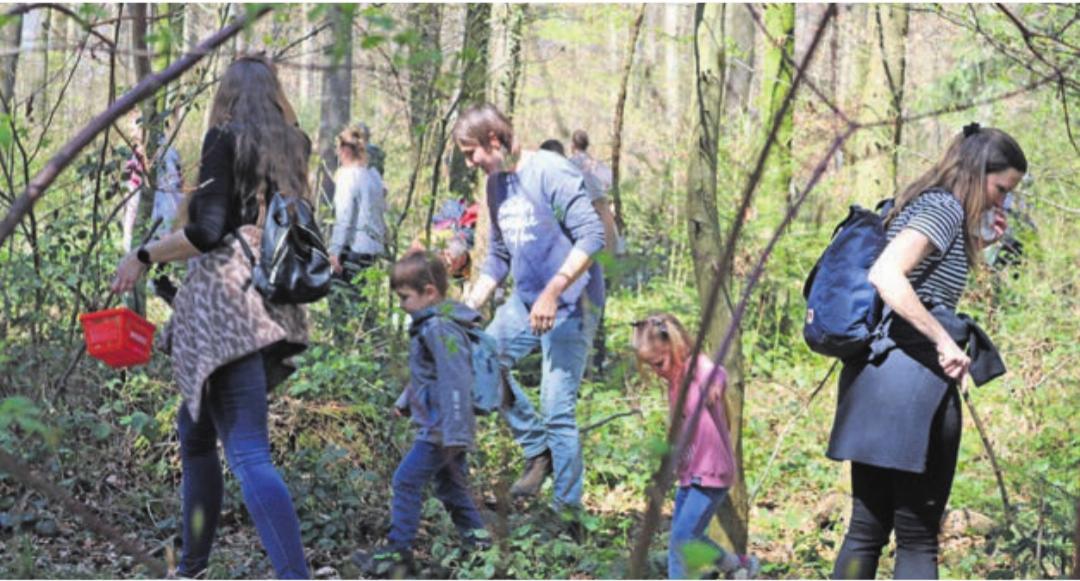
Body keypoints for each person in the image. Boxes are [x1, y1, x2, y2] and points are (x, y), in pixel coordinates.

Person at [110, 55, 313, 579]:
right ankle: (192, 567)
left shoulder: (224, 138)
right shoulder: (295, 143)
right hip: (272, 303)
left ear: (227, 95)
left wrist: (143, 255)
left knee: (247, 452)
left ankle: (296, 576)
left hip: (229, 309)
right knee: (196, 433)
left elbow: (208, 232)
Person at [828, 123, 1027, 579]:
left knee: (865, 532)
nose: (1002, 202)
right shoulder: (943, 207)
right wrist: (943, 340)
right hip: (913, 386)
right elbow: (887, 274)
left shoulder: (925, 205)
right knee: (917, 539)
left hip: (875, 379)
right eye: (1000, 189)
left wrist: (978, 243)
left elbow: (922, 276)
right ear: (977, 171)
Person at [453, 104, 605, 513]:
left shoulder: (550, 171)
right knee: (482, 357)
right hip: (526, 300)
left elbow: (592, 236)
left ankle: (567, 513)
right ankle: (537, 450)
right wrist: (468, 307)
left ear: (494, 140)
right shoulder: (496, 185)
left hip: (574, 302)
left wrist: (554, 291)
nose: (470, 163)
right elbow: (499, 258)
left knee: (557, 410)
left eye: (471, 153)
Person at [353, 251, 490, 576]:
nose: (402, 305)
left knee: (405, 481)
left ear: (429, 292)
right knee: (451, 488)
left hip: (442, 428)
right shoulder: (432, 324)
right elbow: (428, 375)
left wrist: (453, 433)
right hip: (446, 425)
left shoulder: (440, 328)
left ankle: (398, 552)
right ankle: (482, 550)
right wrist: (405, 401)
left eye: (405, 297)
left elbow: (455, 379)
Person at [631, 313, 760, 580]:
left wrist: (714, 385)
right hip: (690, 474)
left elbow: (717, 373)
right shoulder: (674, 381)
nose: (657, 371)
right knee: (688, 537)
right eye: (651, 366)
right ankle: (738, 565)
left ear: (674, 345)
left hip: (711, 472)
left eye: (659, 363)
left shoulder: (695, 367)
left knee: (681, 542)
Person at [328, 126, 387, 282]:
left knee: (342, 292)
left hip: (354, 250)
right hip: (374, 250)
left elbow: (344, 216)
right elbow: (382, 209)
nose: (337, 154)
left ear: (345, 150)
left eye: (338, 150)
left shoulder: (347, 176)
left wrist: (335, 252)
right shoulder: (374, 175)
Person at [568, 129, 621, 255]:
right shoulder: (594, 163)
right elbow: (610, 180)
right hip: (603, 206)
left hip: (585, 206)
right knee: (610, 244)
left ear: (573, 145)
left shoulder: (570, 163)